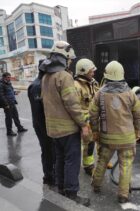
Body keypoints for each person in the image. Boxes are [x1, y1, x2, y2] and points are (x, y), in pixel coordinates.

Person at [40, 41, 90, 207]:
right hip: (68, 130)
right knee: (72, 161)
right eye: (69, 59)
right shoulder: (64, 76)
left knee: (60, 159)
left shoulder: (46, 76)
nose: (70, 62)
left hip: (53, 130)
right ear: (64, 58)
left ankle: (61, 187)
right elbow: (73, 105)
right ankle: (71, 193)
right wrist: (83, 124)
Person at [90, 61, 140, 203]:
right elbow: (139, 114)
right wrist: (137, 131)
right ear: (122, 75)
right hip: (127, 138)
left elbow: (92, 114)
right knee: (125, 164)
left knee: (102, 160)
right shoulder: (130, 94)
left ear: (106, 75)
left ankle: (96, 185)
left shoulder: (99, 94)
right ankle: (123, 194)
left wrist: (95, 131)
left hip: (107, 138)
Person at [28, 59, 55, 186]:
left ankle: (51, 174)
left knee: (50, 150)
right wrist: (47, 131)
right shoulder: (38, 86)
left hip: (45, 124)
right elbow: (38, 113)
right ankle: (49, 176)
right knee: (47, 150)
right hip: (42, 125)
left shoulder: (43, 83)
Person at [74, 58, 98, 176]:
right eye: (91, 71)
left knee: (90, 144)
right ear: (83, 72)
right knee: (77, 146)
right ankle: (81, 166)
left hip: (90, 121)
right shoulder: (76, 86)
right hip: (81, 122)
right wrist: (83, 124)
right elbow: (74, 107)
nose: (93, 73)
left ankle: (88, 165)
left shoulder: (92, 83)